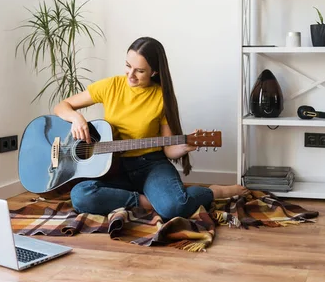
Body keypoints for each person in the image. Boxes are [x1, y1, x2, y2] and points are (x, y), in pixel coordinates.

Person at [53, 37, 247, 220]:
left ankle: (214, 191)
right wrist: (76, 118)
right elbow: (62, 106)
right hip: (114, 168)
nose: (131, 75)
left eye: (140, 71)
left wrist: (185, 145)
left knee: (175, 208)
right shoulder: (110, 86)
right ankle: (147, 201)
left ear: (154, 71)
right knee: (80, 195)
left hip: (151, 165)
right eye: (128, 66)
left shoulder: (162, 97)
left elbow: (169, 150)